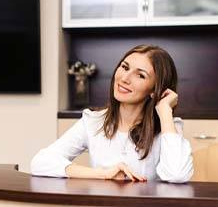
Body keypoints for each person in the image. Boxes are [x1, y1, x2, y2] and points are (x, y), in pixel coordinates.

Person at [31, 45, 193, 183]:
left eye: (140, 75)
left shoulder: (167, 128)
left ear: (155, 89)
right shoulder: (93, 122)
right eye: (125, 67)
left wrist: (165, 111)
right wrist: (103, 174)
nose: (125, 78)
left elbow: (177, 174)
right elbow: (40, 162)